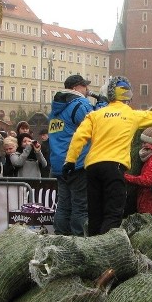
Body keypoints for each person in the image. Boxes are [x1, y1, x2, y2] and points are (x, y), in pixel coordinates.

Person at [63, 76, 152, 235]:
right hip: (114, 167)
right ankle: (106, 249)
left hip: (93, 168)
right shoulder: (131, 116)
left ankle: (93, 248)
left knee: (95, 213)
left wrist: (70, 161)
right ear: (128, 96)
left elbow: (79, 137)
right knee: (113, 213)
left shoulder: (95, 115)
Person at [49, 74, 104, 236]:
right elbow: (95, 125)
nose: (87, 90)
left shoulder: (55, 109)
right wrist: (101, 105)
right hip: (77, 162)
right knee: (80, 206)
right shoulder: (79, 104)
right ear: (75, 88)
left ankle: (60, 239)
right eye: (84, 86)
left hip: (59, 165)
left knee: (63, 205)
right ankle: (78, 241)